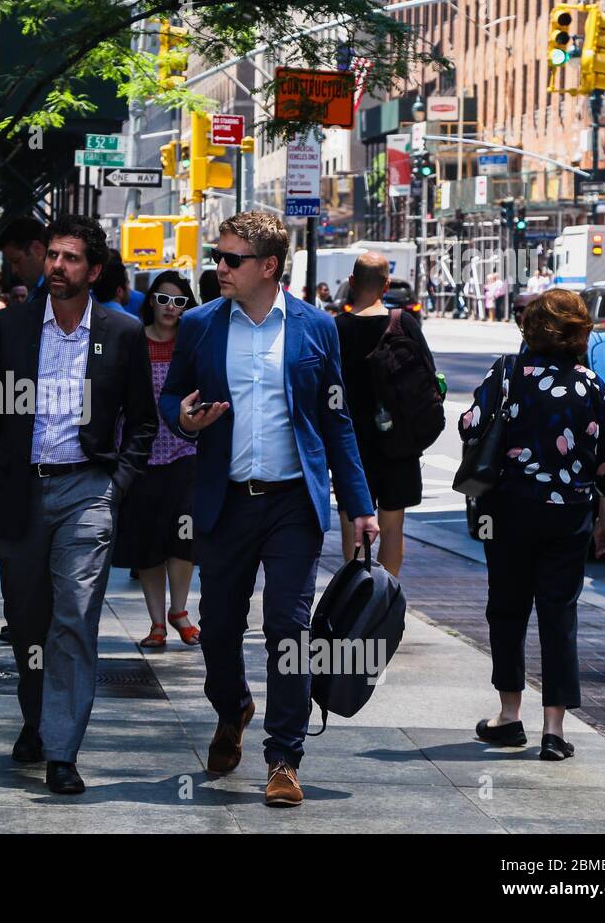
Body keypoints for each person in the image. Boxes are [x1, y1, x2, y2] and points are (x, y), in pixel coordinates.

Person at [159, 210, 377, 807]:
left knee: (289, 626)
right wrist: (182, 417)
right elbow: (173, 396)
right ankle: (232, 709)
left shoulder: (315, 328)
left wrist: (360, 504)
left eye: (232, 259)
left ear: (269, 266)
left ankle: (284, 757)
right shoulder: (201, 325)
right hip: (225, 501)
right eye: (218, 257)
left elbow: (336, 420)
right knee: (220, 630)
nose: (219, 268)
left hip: (291, 504)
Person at [0, 214, 157, 795]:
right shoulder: (13, 327)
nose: (58, 267)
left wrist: (116, 485)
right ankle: (36, 720)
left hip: (87, 490)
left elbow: (142, 421)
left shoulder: (121, 332)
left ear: (93, 271)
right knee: (29, 623)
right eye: (54, 256)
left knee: (76, 615)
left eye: (71, 259)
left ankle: (63, 750)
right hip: (19, 492)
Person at [461, 288, 605, 761]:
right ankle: (554, 729)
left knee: (507, 607)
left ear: (530, 327)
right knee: (559, 614)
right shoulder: (590, 384)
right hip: (568, 514)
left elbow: (471, 426)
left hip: (508, 510)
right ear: (578, 333)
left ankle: (509, 716)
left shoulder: (506, 373)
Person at [112, 271, 199, 648]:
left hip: (185, 454)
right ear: (151, 302)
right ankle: (157, 623)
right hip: (140, 457)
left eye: (179, 302)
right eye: (163, 299)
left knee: (183, 538)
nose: (170, 308)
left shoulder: (192, 344)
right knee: (147, 544)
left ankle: (179, 611)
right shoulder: (132, 340)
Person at [334, 253, 435, 575]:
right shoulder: (403, 323)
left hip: (352, 447)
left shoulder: (337, 328)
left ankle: (356, 595)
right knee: (393, 527)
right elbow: (430, 378)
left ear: (352, 283)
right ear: (386, 285)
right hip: (398, 444)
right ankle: (387, 597)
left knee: (353, 525)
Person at [0, 217, 48, 301]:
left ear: (37, 250)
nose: (14, 270)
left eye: (16, 261)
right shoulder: (39, 291)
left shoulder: (53, 296)